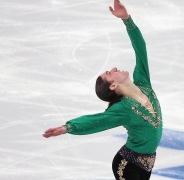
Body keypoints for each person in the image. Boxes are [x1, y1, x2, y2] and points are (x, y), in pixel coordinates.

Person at [43, 0, 163, 179]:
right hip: (127, 166)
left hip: (145, 165)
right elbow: (96, 121)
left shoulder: (143, 83)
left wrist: (127, 20)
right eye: (109, 73)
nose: (114, 68)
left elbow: (140, 49)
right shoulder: (123, 109)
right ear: (113, 86)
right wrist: (68, 127)